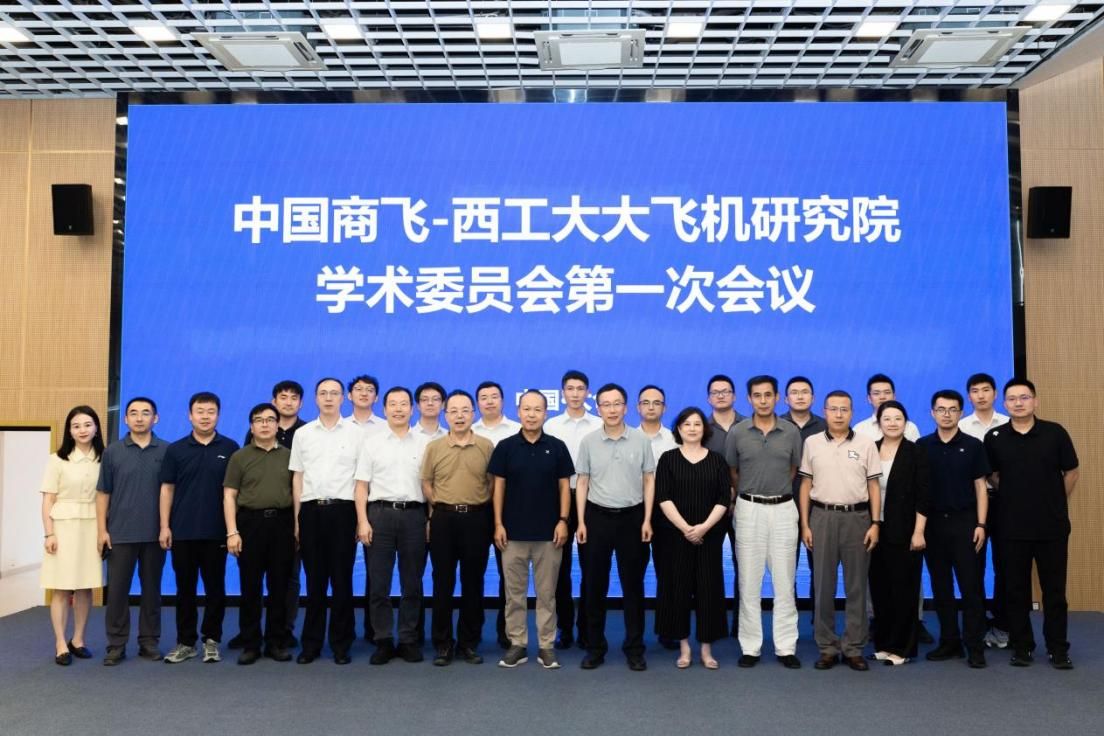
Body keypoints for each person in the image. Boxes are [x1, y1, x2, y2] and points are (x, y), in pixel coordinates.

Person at [985, 378, 1079, 669]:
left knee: (1054, 592)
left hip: (1051, 526)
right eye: (1012, 398)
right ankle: (1023, 646)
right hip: (1011, 527)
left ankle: (1058, 648)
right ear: (1004, 403)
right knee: (1015, 591)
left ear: (1035, 401)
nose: (1018, 403)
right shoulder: (995, 437)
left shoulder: (1055, 432)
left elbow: (1072, 471)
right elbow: (992, 475)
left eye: (1024, 397)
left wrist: (1054, 500)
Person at [798, 390, 881, 671]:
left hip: (857, 518)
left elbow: (873, 486)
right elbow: (806, 485)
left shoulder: (866, 443)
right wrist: (805, 524)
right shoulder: (812, 443)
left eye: (844, 409)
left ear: (852, 412)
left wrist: (875, 523)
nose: (838, 414)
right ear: (825, 411)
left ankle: (854, 647)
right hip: (822, 517)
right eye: (833, 409)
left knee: (857, 586)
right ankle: (827, 647)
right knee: (823, 585)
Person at [490, 390, 574, 669]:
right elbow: (498, 487)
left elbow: (565, 486)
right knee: (514, 595)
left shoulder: (557, 447)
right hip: (512, 534)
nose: (532, 414)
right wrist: (498, 523)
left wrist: (563, 520)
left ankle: (546, 646)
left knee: (546, 594)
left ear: (545, 413)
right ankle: (518, 644)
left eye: (537, 410)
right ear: (518, 412)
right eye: (527, 409)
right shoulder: (505, 447)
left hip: (549, 535)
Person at [576, 383, 656, 672]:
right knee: (594, 586)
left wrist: (647, 520)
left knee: (633, 587)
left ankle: (634, 648)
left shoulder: (641, 440)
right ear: (598, 409)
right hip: (596, 518)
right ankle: (595, 648)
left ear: (626, 407)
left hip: (632, 519)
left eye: (617, 403)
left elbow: (649, 480)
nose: (611, 409)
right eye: (606, 404)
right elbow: (582, 481)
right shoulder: (588, 441)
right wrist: (581, 521)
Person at [726, 376, 803, 669]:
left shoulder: (791, 432)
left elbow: (793, 469)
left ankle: (786, 647)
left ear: (777, 397)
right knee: (749, 581)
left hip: (783, 509)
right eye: (757, 395)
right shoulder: (737, 432)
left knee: (785, 581)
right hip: (748, 509)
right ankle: (750, 647)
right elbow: (733, 471)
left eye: (768, 395)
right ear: (749, 399)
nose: (763, 400)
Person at [158, 392, 239, 664]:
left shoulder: (230, 447)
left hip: (216, 532)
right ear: (190, 415)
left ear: (218, 415)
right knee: (185, 590)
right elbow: (167, 490)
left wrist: (233, 530)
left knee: (216, 589)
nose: (205, 417)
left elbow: (233, 493)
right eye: (200, 411)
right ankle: (186, 642)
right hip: (182, 532)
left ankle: (212, 640)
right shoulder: (176, 450)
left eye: (211, 412)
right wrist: (164, 526)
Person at [354, 386, 430, 665]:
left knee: (413, 583)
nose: (398, 409)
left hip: (415, 515)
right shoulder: (372, 442)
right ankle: (383, 640)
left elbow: (430, 486)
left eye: (404, 404)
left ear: (412, 408)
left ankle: (408, 639)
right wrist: (362, 521)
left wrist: (431, 519)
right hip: (380, 515)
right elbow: (361, 486)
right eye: (393, 404)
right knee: (379, 584)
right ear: (384, 409)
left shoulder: (426, 444)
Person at [289, 378, 362, 665]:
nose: (328, 398)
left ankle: (342, 644)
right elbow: (298, 477)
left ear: (343, 398)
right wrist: (297, 519)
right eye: (323, 393)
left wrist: (360, 519)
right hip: (311, 512)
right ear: (315, 399)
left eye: (334, 393)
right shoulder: (303, 434)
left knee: (342, 581)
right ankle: (311, 644)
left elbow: (361, 480)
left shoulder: (356, 434)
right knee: (314, 582)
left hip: (344, 512)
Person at [422, 390, 495, 666]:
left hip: (477, 519)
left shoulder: (486, 446)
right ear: (446, 415)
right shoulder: (434, 447)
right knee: (442, 582)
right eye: (453, 411)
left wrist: (478, 503)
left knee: (473, 582)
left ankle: (469, 643)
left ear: (473, 413)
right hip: (444, 519)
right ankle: (443, 644)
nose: (459, 416)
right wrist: (440, 505)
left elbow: (492, 483)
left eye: (465, 410)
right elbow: (426, 482)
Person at [654, 407, 730, 669]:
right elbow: (663, 497)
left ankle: (706, 650)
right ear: (678, 429)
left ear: (704, 429)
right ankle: (684, 648)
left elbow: (724, 498)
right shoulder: (668, 459)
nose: (692, 428)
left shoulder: (717, 460)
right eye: (686, 424)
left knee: (709, 590)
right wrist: (687, 528)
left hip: (709, 536)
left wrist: (703, 528)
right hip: (676, 536)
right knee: (678, 589)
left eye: (697, 424)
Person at [919, 390, 989, 668]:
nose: (946, 414)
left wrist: (981, 524)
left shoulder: (973, 445)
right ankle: (950, 642)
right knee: (941, 587)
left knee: (971, 588)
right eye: (941, 409)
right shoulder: (922, 446)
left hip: (966, 523)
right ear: (932, 413)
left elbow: (981, 487)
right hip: (933, 525)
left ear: (961, 413)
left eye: (952, 409)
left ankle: (975, 646)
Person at [236, 379, 307, 651]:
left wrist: (298, 521)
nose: (288, 402)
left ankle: (283, 631)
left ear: (301, 403)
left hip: (287, 518)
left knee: (287, 578)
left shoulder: (307, 433)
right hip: (252, 521)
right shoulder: (253, 436)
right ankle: (250, 636)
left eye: (293, 397)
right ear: (274, 401)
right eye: (282, 397)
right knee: (251, 580)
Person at [97, 397, 168, 666]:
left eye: (146, 413)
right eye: (134, 413)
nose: (140, 418)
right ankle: (116, 644)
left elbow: (170, 492)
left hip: (155, 534)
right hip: (120, 533)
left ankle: (149, 641)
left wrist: (166, 527)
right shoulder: (112, 452)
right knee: (117, 592)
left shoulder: (167, 450)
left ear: (155, 418)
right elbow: (103, 493)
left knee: (152, 591)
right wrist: (102, 530)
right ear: (125, 419)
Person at [223, 403, 295, 665]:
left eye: (270, 419)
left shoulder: (290, 456)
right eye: (259, 420)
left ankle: (276, 642)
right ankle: (251, 643)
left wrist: (297, 527)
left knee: (280, 587)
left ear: (278, 425)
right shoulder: (239, 457)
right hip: (249, 524)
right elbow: (229, 496)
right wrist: (232, 532)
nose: (265, 424)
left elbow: (298, 492)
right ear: (251, 426)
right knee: (250, 587)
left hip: (282, 524)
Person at [40, 406, 105, 666]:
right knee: (61, 586)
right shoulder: (57, 459)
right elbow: (48, 500)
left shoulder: (104, 458)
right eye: (76, 426)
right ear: (69, 431)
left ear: (96, 428)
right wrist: (49, 533)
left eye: (87, 425)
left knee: (85, 586)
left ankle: (78, 639)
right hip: (63, 527)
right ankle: (60, 643)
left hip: (93, 525)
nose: (82, 430)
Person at [544, 369, 602, 650]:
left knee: (592, 567)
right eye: (570, 388)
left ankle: (587, 629)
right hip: (559, 500)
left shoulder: (599, 424)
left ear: (588, 393)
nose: (575, 393)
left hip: (593, 500)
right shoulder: (552, 425)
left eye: (580, 389)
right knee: (559, 568)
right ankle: (564, 627)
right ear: (562, 392)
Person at [868, 401, 929, 667]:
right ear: (879, 422)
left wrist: (919, 531)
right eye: (887, 418)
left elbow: (924, 495)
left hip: (906, 531)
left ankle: (903, 648)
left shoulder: (916, 452)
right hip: (874, 529)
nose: (892, 423)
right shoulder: (870, 449)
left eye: (898, 418)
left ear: (906, 422)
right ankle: (884, 644)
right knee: (880, 588)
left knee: (904, 590)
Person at [958, 372, 1010, 650]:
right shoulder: (961, 426)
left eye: (986, 390)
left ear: (995, 394)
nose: (981, 395)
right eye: (975, 391)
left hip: (1004, 503)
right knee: (972, 566)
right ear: (969, 396)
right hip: (971, 504)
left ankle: (1002, 624)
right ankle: (975, 626)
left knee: (1006, 565)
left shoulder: (1009, 424)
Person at [473, 380, 523, 650]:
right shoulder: (468, 431)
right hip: (478, 510)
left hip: (510, 511)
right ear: (477, 403)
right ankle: (474, 629)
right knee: (475, 571)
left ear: (503, 401)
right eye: (484, 397)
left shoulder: (517, 430)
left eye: (494, 396)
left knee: (509, 574)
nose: (489, 401)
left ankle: (507, 631)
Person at [780, 376, 826, 621]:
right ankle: (789, 624)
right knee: (786, 571)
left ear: (813, 398)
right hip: (782, 507)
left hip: (817, 509)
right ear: (786, 399)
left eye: (805, 392)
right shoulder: (775, 426)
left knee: (820, 569)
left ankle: (819, 622)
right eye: (794, 392)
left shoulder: (826, 426)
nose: (800, 396)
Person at [636, 385, 678, 650]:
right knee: (634, 574)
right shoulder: (628, 438)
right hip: (634, 511)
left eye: (657, 403)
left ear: (664, 408)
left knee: (668, 573)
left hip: (667, 512)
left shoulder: (675, 439)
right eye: (646, 402)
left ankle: (667, 629)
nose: (651, 407)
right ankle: (635, 633)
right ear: (637, 407)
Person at [704, 374, 745, 636]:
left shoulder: (749, 425)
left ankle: (742, 624)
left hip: (745, 505)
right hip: (710, 509)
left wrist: (736, 496)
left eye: (726, 391)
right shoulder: (701, 428)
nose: (720, 395)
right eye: (715, 392)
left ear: (734, 396)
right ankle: (714, 622)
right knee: (710, 566)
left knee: (745, 566)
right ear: (709, 398)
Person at [346, 374, 384, 645]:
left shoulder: (385, 427)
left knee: (375, 570)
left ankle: (374, 628)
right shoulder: (339, 426)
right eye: (358, 389)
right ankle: (345, 628)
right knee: (342, 570)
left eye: (369, 390)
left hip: (375, 505)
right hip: (342, 505)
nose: (363, 393)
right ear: (349, 396)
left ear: (376, 397)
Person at [854, 373, 921, 442]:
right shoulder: (859, 429)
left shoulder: (910, 428)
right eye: (876, 393)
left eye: (887, 392)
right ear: (869, 399)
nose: (882, 397)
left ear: (894, 397)